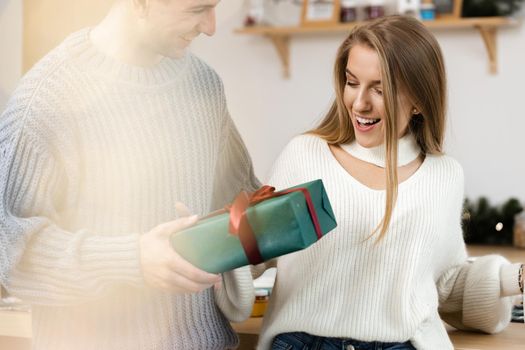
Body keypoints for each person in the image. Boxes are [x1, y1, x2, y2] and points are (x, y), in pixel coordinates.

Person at [252, 15, 524, 350]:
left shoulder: (444, 175)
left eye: (379, 89)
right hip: (303, 343)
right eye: (352, 83)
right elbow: (252, 254)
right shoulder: (304, 156)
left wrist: (519, 278)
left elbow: (442, 283)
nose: (360, 103)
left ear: (420, 101)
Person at [0, 0, 259, 349]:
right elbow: (10, 256)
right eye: (197, 9)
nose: (211, 27)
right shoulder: (44, 99)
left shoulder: (204, 86)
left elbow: (243, 202)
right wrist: (132, 259)